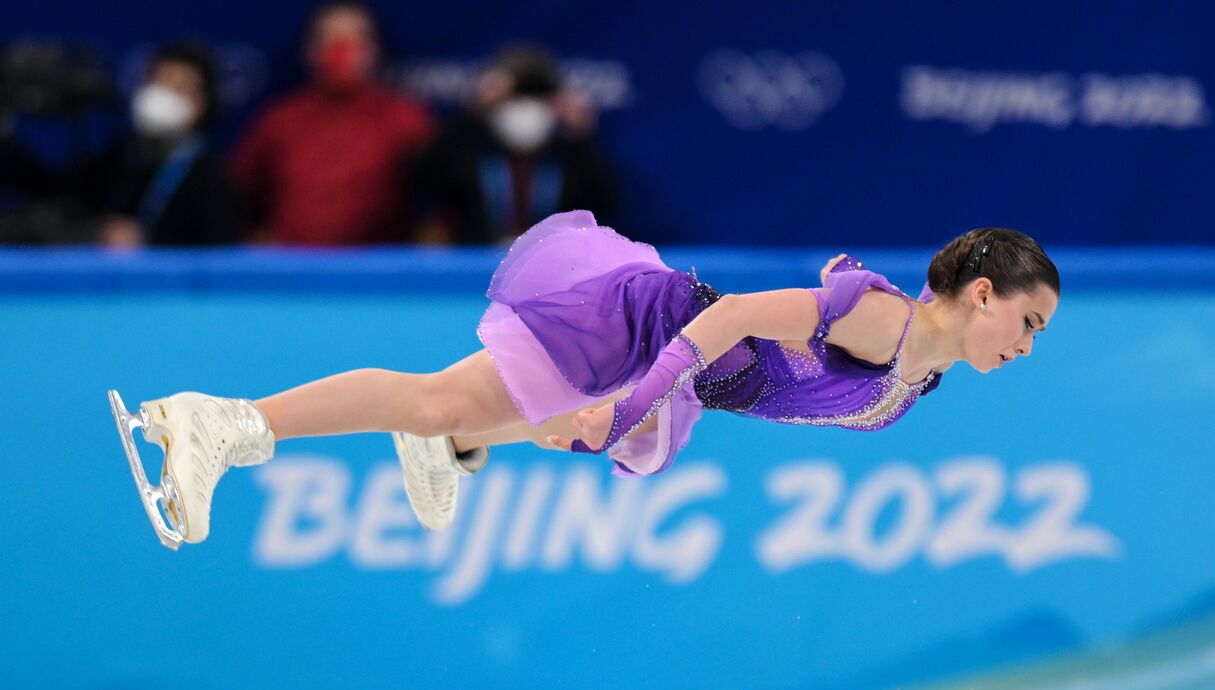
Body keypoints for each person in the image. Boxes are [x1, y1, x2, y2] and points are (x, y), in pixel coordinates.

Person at [108, 210, 1059, 549]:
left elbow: (773, 365)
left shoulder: (917, 378)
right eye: (1028, 320)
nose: (1027, 344)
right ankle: (219, 422)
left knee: (554, 427)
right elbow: (724, 317)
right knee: (446, 397)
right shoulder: (885, 320)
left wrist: (641, 405)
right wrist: (639, 394)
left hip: (690, 379)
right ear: (982, 292)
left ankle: (459, 443)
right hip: (657, 328)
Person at [229, 1, 433, 244]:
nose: (342, 49)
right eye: (330, 39)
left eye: (354, 39)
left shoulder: (405, 118)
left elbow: (443, 199)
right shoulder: (279, 120)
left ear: (374, 50)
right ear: (310, 50)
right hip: (293, 270)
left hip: (377, 271)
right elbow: (235, 194)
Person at [414, 43, 619, 244]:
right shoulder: (472, 155)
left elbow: (602, 200)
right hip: (478, 265)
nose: (524, 106)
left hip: (553, 268)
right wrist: (470, 116)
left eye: (533, 96)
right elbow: (426, 179)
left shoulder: (567, 159)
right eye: (514, 97)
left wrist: (582, 136)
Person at [82, 41, 243, 247]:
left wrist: (146, 243)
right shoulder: (123, 155)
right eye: (159, 83)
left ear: (203, 103)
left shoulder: (212, 179)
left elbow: (218, 255)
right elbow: (63, 196)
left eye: (179, 89)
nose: (164, 97)